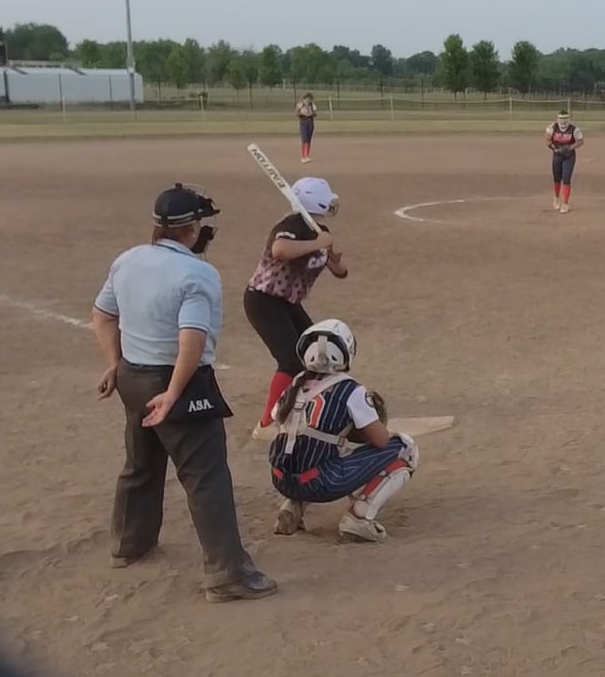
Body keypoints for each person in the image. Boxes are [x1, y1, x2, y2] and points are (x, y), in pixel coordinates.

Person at [90, 184, 276, 603]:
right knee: (206, 477)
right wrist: (174, 393)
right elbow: (191, 338)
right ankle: (227, 575)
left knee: (141, 463)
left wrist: (115, 364)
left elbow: (102, 316)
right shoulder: (197, 273)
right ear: (192, 229)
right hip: (177, 381)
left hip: (132, 376)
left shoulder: (127, 259)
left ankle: (129, 545)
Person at [266, 319, 419, 543]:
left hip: (280, 479)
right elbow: (381, 440)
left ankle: (293, 505)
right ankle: (359, 517)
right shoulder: (350, 390)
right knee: (405, 449)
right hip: (322, 483)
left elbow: (277, 418)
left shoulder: (296, 383)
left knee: (308, 446)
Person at [244, 177, 346, 436]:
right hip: (264, 301)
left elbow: (340, 272)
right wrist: (319, 243)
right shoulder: (291, 226)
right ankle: (266, 424)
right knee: (290, 361)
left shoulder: (318, 231)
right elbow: (280, 250)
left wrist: (334, 258)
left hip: (287, 303)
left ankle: (305, 408)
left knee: (316, 353)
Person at [546, 110, 583, 212]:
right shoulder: (552, 128)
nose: (563, 121)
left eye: (565, 119)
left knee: (566, 178)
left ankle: (565, 203)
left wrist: (570, 147)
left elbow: (580, 141)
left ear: (569, 119)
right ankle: (556, 197)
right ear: (557, 119)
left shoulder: (574, 129)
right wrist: (554, 148)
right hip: (557, 155)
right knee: (557, 178)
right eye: (561, 119)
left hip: (569, 156)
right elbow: (547, 139)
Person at [296, 94, 317, 163]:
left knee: (308, 139)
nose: (308, 100)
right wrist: (302, 114)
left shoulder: (312, 105)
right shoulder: (300, 105)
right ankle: (303, 156)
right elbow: (297, 113)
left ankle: (307, 156)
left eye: (310, 99)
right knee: (304, 139)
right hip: (303, 122)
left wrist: (311, 114)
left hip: (310, 122)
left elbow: (315, 113)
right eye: (307, 99)